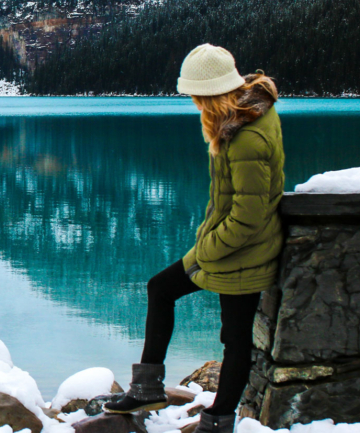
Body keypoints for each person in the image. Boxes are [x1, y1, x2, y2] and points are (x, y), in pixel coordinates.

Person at [103, 44, 285, 433]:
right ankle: (147, 388)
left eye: (196, 96)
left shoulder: (248, 138)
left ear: (212, 93)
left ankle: (217, 422)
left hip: (245, 251)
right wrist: (208, 245)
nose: (193, 103)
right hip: (225, 244)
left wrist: (207, 249)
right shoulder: (241, 117)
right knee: (160, 288)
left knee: (235, 339)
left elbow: (249, 216)